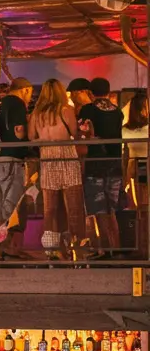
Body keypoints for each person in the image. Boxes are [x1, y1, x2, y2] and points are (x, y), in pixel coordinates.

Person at [29, 79, 87, 258]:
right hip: (66, 156)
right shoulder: (65, 110)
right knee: (74, 205)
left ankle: (51, 248)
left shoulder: (36, 114)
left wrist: (44, 141)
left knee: (50, 208)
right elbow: (74, 133)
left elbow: (31, 137)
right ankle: (78, 246)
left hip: (47, 157)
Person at [0, 76, 33, 255]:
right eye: (30, 94)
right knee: (12, 207)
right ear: (25, 90)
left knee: (1, 208)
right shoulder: (16, 104)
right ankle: (10, 248)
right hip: (11, 160)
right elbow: (19, 132)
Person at [78, 76, 123, 257]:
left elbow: (83, 133)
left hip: (95, 162)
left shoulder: (87, 110)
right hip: (114, 162)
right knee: (112, 209)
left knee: (98, 209)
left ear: (90, 92)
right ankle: (117, 248)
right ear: (108, 91)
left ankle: (104, 249)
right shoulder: (117, 111)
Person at [124, 90, 149, 252]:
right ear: (142, 109)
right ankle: (143, 246)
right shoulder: (145, 129)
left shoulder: (125, 130)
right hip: (139, 168)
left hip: (135, 168)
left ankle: (142, 246)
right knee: (142, 210)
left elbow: (126, 155)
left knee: (140, 210)